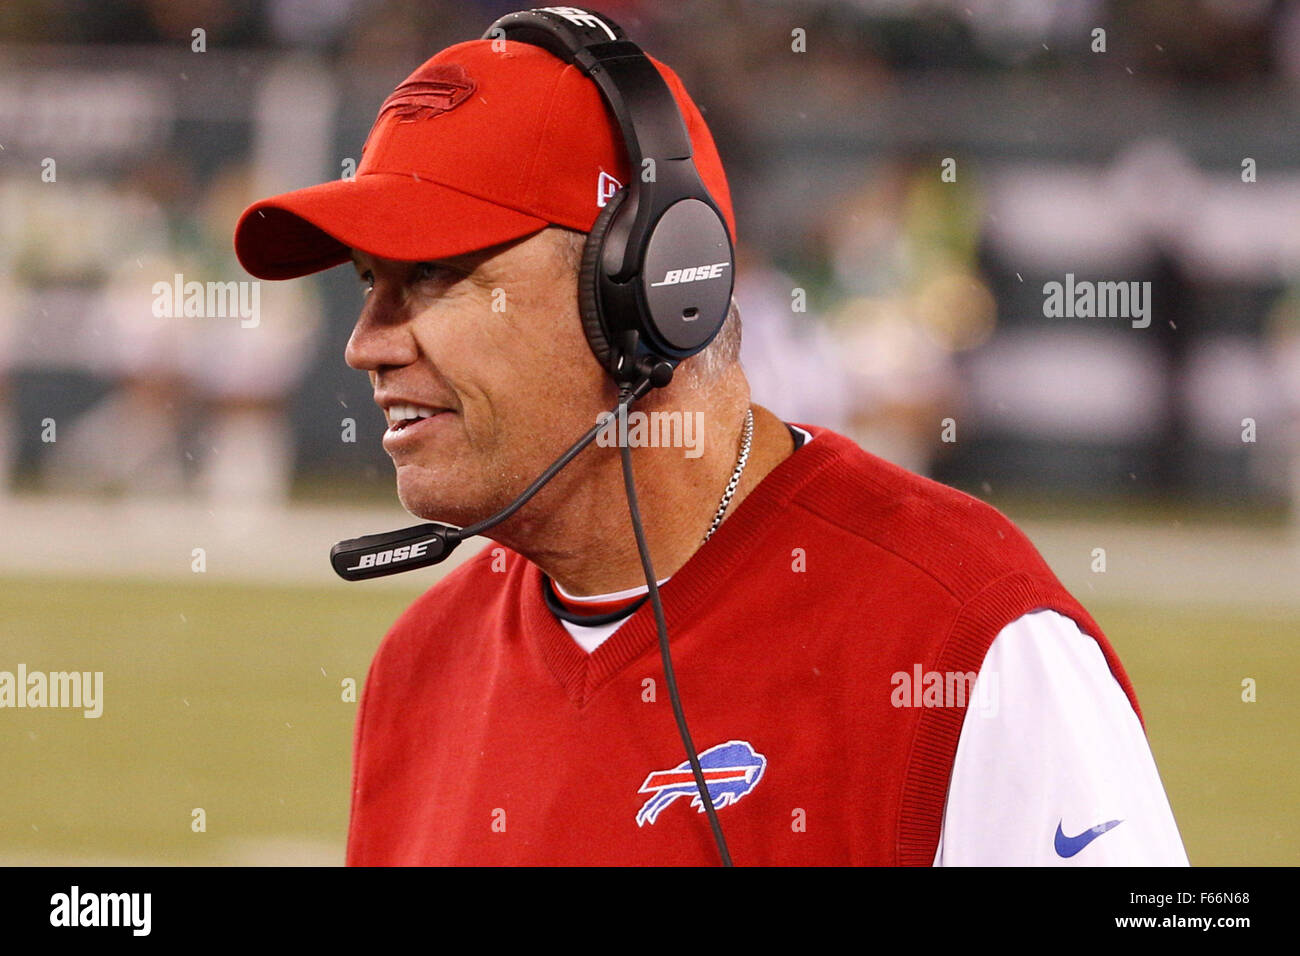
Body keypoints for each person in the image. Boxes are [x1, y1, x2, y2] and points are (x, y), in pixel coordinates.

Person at [233, 12, 1187, 866]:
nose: (367, 345)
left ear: (653, 291)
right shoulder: (418, 669)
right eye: (369, 284)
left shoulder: (967, 640)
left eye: (434, 278)